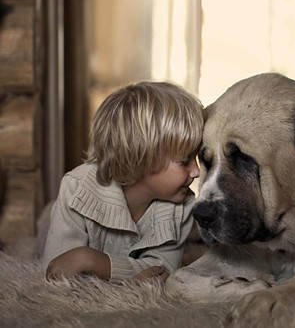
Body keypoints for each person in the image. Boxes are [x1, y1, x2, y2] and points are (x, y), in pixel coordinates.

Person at [41, 81, 204, 283]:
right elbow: (57, 270)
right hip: (61, 213)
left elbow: (161, 272)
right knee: (46, 222)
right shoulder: (77, 188)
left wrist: (90, 260)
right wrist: (132, 276)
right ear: (142, 157)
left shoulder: (183, 206)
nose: (196, 171)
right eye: (185, 161)